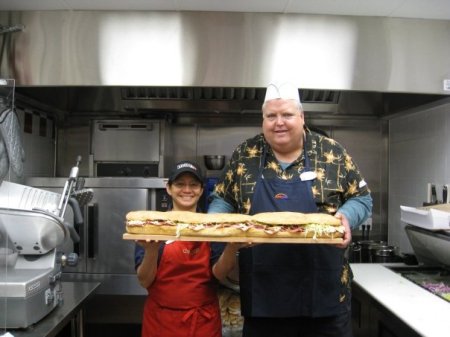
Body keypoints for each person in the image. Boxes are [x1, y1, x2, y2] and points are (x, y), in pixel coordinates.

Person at [208, 82, 373, 337]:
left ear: (302, 117)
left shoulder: (331, 152)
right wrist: (217, 227)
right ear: (263, 120)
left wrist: (347, 216)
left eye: (287, 115)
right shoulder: (246, 154)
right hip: (264, 300)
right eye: (271, 116)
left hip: (325, 299)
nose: (279, 123)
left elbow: (362, 198)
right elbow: (222, 199)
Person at [134, 160, 236, 337]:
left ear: (202, 189)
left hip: (203, 322)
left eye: (193, 185)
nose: (187, 190)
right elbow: (144, 281)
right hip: (161, 321)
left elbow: (219, 275)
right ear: (169, 188)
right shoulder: (153, 226)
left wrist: (233, 246)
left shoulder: (212, 226)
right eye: (180, 184)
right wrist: (151, 250)